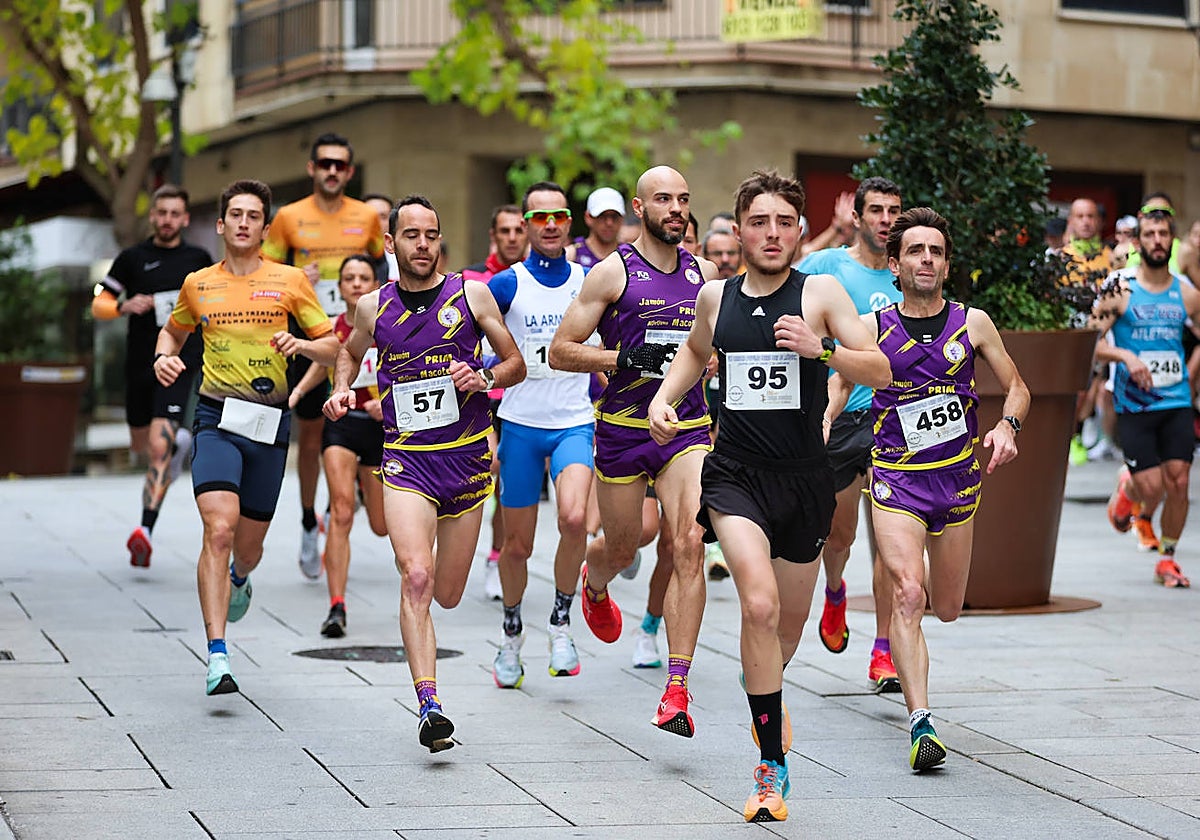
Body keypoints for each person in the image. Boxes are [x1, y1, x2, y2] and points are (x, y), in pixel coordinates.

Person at [649, 170, 890, 822]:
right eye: (760, 221)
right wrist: (665, 398)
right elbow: (695, 353)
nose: (773, 233)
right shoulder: (715, 296)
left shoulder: (821, 293)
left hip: (806, 482)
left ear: (800, 230)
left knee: (782, 632)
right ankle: (769, 769)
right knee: (755, 604)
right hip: (735, 476)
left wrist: (826, 349)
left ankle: (764, 687)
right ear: (741, 227)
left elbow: (880, 368)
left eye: (785, 222)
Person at [829, 206, 1029, 772]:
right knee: (907, 592)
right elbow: (840, 381)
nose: (926, 260)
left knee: (946, 607)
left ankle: (914, 661)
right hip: (894, 476)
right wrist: (823, 424)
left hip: (959, 479)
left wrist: (1006, 426)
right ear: (895, 264)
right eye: (915, 251)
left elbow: (1018, 388)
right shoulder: (873, 328)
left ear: (947, 265)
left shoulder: (974, 323)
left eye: (935, 252)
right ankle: (921, 725)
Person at [323, 195, 525, 752]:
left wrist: (482, 375)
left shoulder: (471, 293)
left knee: (450, 593)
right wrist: (342, 388)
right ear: (391, 244)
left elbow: (516, 363)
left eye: (431, 234)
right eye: (410, 235)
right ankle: (429, 705)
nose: (422, 244)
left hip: (464, 461)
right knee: (416, 576)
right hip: (406, 460)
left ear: (440, 240)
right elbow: (347, 352)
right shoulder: (373, 307)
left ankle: (434, 649)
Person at [152, 179, 339, 696]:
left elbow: (334, 349)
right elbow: (173, 331)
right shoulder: (198, 283)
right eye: (234, 213)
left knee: (248, 548)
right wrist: (163, 355)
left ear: (264, 227)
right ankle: (217, 654)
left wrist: (299, 342)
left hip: (269, 422)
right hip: (215, 416)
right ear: (220, 223)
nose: (242, 222)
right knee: (218, 527)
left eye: (253, 215)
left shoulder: (290, 281)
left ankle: (240, 577)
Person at [549, 164, 717, 738]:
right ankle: (595, 586)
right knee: (622, 547)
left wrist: (709, 362)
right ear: (639, 209)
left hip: (686, 430)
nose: (676, 208)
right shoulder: (611, 274)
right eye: (663, 199)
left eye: (684, 199)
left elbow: (713, 352)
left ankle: (676, 688)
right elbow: (560, 351)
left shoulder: (707, 274)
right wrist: (623, 359)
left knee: (688, 540)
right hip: (622, 430)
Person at [261, 132, 385, 581]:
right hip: (314, 334)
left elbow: (381, 268)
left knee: (364, 420)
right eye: (324, 163)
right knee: (312, 437)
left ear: (349, 172)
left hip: (362, 335)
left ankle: (344, 498)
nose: (332, 171)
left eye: (340, 165)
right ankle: (310, 521)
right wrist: (294, 275)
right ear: (312, 168)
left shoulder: (366, 216)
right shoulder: (289, 217)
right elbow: (264, 271)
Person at [486, 181, 596, 687]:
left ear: (569, 223)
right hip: (522, 426)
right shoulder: (506, 284)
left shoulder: (589, 280)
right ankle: (511, 632)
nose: (550, 224)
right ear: (526, 225)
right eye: (539, 217)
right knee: (517, 546)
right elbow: (474, 346)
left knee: (574, 519)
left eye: (559, 215)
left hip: (573, 420)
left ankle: (559, 620)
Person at [797, 175, 903, 693]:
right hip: (840, 416)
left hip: (894, 422)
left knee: (892, 546)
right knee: (840, 535)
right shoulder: (826, 267)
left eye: (893, 211)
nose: (886, 219)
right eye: (877, 210)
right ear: (858, 217)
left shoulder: (909, 273)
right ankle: (835, 590)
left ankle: (883, 648)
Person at [94, 184, 213, 568]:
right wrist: (124, 306)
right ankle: (173, 452)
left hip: (180, 362)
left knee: (159, 448)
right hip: (140, 363)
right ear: (153, 216)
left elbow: (210, 304)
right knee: (142, 446)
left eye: (175, 213)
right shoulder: (132, 258)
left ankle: (144, 530)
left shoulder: (198, 257)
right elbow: (99, 302)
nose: (167, 220)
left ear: (186, 219)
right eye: (161, 212)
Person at [1095, 208, 1199, 588]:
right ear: (1138, 243)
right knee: (1151, 487)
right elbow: (1091, 339)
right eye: (1150, 234)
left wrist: (1190, 373)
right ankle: (1129, 488)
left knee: (1180, 481)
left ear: (1172, 242)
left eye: (1164, 234)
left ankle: (1167, 559)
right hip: (1134, 403)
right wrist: (1125, 356)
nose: (1157, 240)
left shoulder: (1186, 293)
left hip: (1176, 401)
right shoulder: (1120, 289)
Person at [288, 255, 388, 637]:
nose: (358, 283)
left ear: (373, 284)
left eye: (364, 277)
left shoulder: (388, 326)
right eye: (350, 278)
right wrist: (297, 392)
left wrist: (389, 400)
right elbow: (324, 361)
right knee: (342, 512)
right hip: (343, 427)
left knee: (381, 526)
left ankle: (366, 495)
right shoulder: (332, 327)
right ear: (341, 287)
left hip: (382, 432)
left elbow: (411, 369)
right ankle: (336, 607)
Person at [461, 204, 530, 600]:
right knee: (489, 466)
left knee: (505, 476)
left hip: (520, 393)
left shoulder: (532, 280)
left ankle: (495, 553)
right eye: (504, 230)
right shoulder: (472, 281)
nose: (511, 237)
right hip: (480, 391)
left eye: (518, 230)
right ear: (493, 235)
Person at [699, 226, 743, 581]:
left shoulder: (750, 293)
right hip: (694, 398)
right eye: (718, 254)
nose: (725, 261)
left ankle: (714, 544)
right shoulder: (701, 295)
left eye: (731, 253)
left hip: (735, 396)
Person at [567, 186, 625, 270]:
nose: (609, 223)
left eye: (614, 216)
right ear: (588, 217)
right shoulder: (571, 255)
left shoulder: (630, 256)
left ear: (622, 219)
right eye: (602, 216)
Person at [362, 193, 396, 281]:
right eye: (370, 217)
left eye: (383, 217)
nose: (376, 222)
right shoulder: (346, 252)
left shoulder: (402, 258)